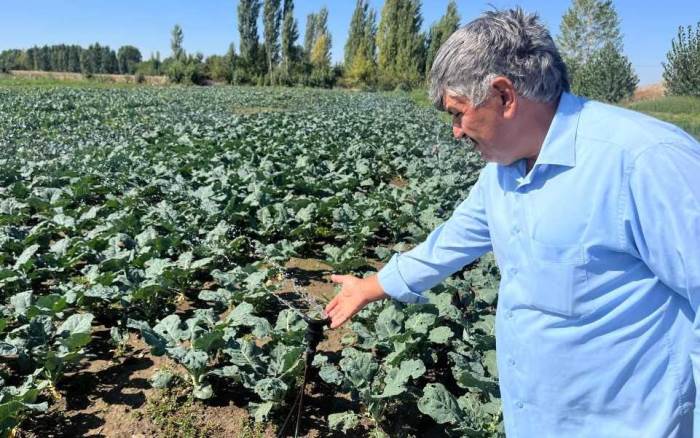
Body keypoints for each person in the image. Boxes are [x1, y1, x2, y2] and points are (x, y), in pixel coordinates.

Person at [324, 7, 700, 438]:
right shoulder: (504, 171)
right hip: (538, 419)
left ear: (504, 96)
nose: (455, 131)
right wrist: (373, 286)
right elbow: (453, 239)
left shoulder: (644, 161)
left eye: (458, 112)